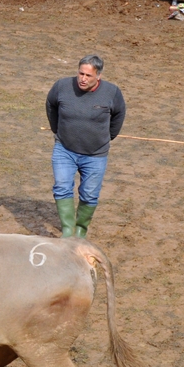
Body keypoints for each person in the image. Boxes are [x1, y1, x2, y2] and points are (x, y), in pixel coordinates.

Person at [46, 55, 125, 239]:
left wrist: (106, 137)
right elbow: (51, 105)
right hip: (64, 149)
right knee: (61, 187)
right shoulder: (62, 86)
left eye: (88, 75)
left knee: (89, 195)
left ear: (98, 76)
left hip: (95, 155)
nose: (83, 78)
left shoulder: (112, 93)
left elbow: (118, 116)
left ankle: (81, 231)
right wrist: (57, 130)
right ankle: (68, 231)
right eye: (80, 73)